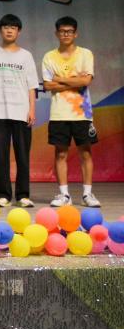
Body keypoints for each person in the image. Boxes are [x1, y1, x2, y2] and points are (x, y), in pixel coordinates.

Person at [42, 16, 99, 207]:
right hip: (58, 114)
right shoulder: (49, 57)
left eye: (69, 31)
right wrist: (75, 80)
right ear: (56, 33)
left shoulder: (85, 54)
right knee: (60, 154)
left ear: (76, 34)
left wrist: (60, 79)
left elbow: (85, 81)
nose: (66, 34)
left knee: (86, 153)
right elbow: (48, 85)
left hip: (82, 113)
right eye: (62, 31)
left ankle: (87, 194)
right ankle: (64, 195)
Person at [0, 14, 38, 208]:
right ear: (0, 30)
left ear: (18, 31)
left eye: (13, 28)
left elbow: (32, 85)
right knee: (1, 155)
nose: (9, 30)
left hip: (22, 112)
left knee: (23, 155)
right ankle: (3, 194)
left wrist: (32, 109)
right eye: (6, 27)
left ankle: (23, 195)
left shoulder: (26, 56)